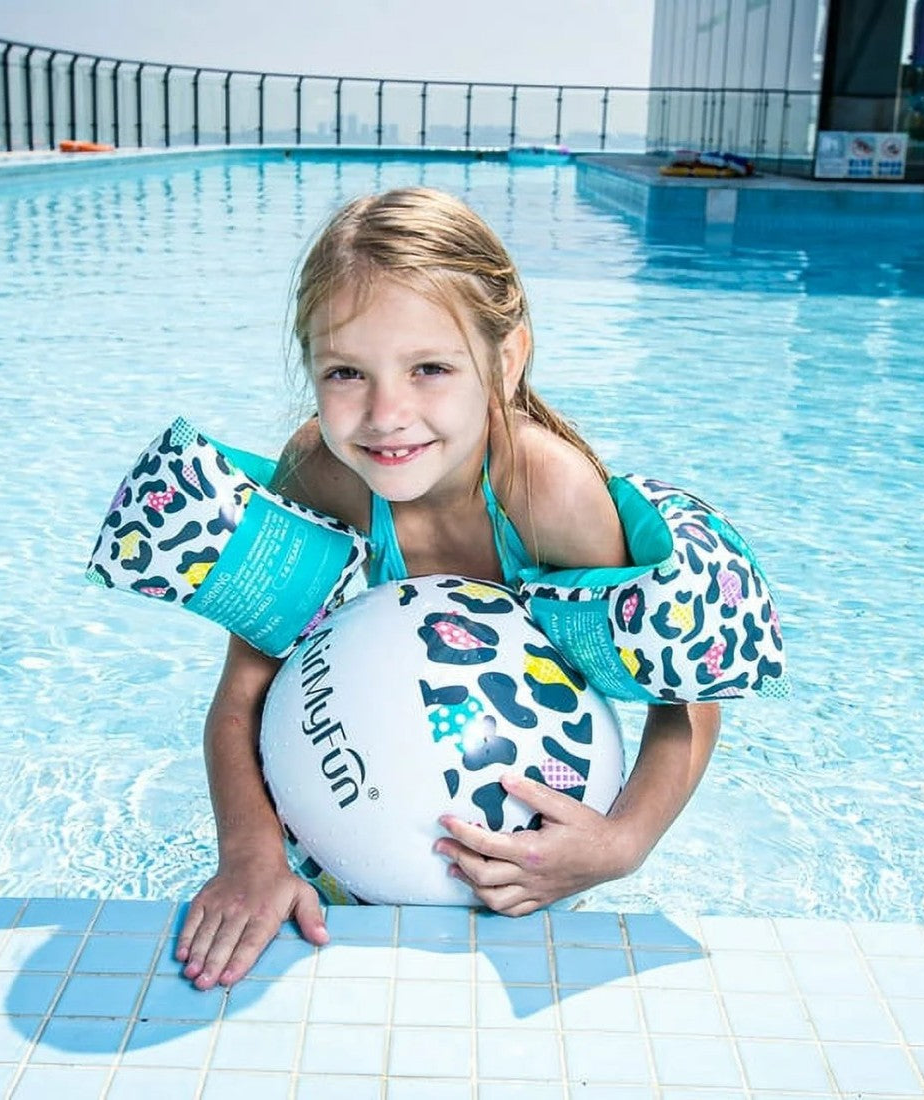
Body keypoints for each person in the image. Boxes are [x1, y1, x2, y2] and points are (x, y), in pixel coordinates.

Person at [176, 187, 720, 990]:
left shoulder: (549, 493)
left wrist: (621, 843)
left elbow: (687, 695)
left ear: (505, 360)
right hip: (355, 799)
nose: (386, 414)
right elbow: (241, 695)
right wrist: (251, 854)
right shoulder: (322, 473)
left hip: (530, 841)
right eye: (345, 372)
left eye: (429, 368)